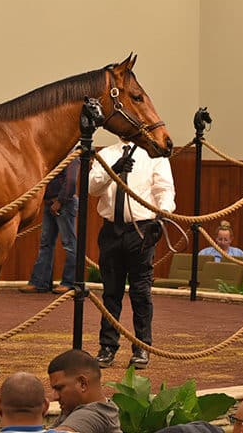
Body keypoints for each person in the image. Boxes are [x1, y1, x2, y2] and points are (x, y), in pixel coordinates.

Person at [89, 140, 176, 369]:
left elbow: (164, 189)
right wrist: (114, 170)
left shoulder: (154, 155)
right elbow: (92, 188)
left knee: (140, 292)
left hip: (142, 229)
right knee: (111, 292)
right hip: (111, 229)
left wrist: (162, 216)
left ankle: (142, 347)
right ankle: (107, 347)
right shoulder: (106, 154)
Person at [21, 155, 80, 294]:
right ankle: (40, 282)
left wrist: (60, 201)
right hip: (51, 203)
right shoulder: (60, 154)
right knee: (46, 243)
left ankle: (69, 282)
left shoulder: (71, 156)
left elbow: (71, 182)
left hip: (63, 203)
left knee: (68, 243)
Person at [47, 349, 121, 433]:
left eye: (59, 388)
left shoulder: (90, 416)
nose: (55, 397)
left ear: (83, 383)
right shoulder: (74, 408)